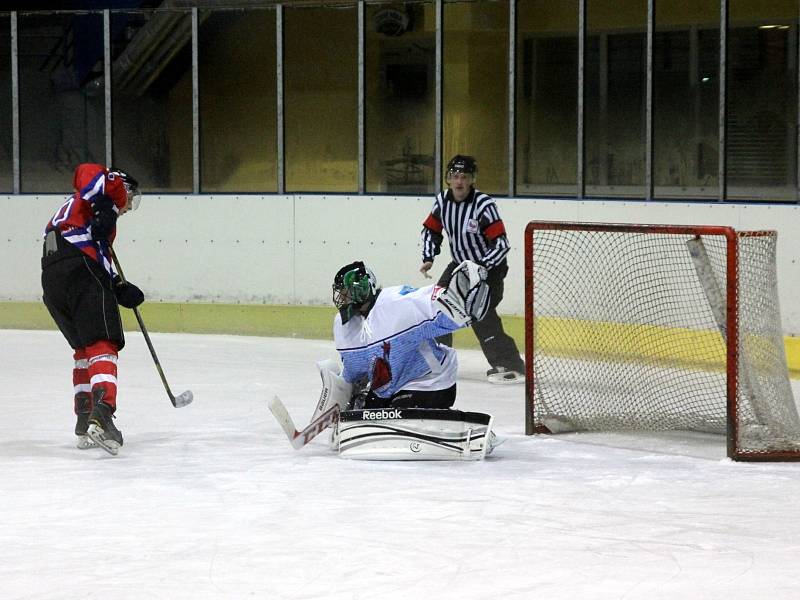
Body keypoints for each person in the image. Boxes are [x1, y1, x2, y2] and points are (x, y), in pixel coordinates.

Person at [41, 163, 144, 455]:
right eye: (131, 200)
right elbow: (87, 170)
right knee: (102, 342)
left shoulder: (83, 212)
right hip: (80, 268)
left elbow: (98, 252)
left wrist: (119, 286)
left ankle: (84, 418)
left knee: (83, 350)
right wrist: (107, 206)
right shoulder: (109, 191)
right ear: (126, 187)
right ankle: (103, 414)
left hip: (52, 273)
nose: (127, 208)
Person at [419, 154, 526, 384]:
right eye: (455, 176)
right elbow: (431, 231)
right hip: (459, 266)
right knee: (437, 306)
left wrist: (481, 269)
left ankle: (510, 364)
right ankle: (439, 359)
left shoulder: (483, 204)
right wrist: (429, 256)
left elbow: (501, 244)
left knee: (480, 313)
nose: (459, 182)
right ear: (448, 179)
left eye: (464, 177)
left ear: (472, 179)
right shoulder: (442, 202)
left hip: (490, 268)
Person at [332, 258, 489, 411]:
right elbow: (353, 371)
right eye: (341, 294)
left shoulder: (396, 303)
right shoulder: (344, 326)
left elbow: (433, 303)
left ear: (362, 289)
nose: (343, 299)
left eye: (347, 293)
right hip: (391, 389)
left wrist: (459, 303)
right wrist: (345, 392)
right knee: (369, 408)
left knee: (398, 410)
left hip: (431, 382)